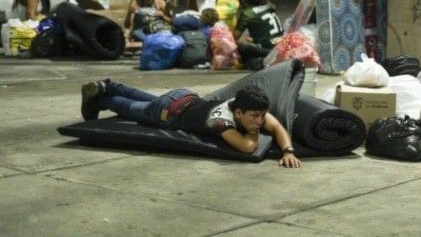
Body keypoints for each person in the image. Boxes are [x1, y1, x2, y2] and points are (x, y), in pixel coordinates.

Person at [80, 80, 301, 167]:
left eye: (262, 116)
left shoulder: (242, 102)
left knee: (146, 98)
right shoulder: (221, 121)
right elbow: (248, 147)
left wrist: (288, 150)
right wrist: (255, 131)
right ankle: (104, 98)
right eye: (254, 117)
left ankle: (107, 85)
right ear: (240, 112)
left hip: (183, 97)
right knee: (132, 109)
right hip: (169, 112)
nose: (260, 121)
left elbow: (277, 127)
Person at [234, 0, 284, 69]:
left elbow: (235, 38)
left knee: (240, 46)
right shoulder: (269, 7)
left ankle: (255, 62)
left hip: (267, 50)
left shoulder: (247, 14)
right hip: (281, 45)